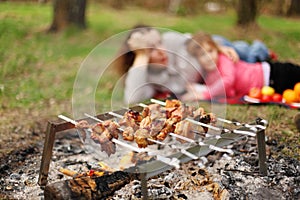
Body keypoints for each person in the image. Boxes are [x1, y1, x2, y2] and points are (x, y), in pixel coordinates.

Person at [114, 25, 240, 105]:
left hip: (214, 51)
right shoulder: (148, 77)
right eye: (151, 48)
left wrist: (219, 47)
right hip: (213, 72)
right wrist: (142, 56)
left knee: (246, 51)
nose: (161, 50)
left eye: (159, 42)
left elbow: (200, 40)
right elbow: (133, 99)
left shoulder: (171, 40)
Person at [182, 31, 300, 101]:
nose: (209, 57)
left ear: (216, 49)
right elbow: (229, 92)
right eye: (203, 54)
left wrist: (205, 94)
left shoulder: (224, 59)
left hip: (273, 73)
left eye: (211, 51)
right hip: (271, 87)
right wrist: (195, 88)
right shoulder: (209, 75)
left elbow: (228, 81)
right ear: (197, 60)